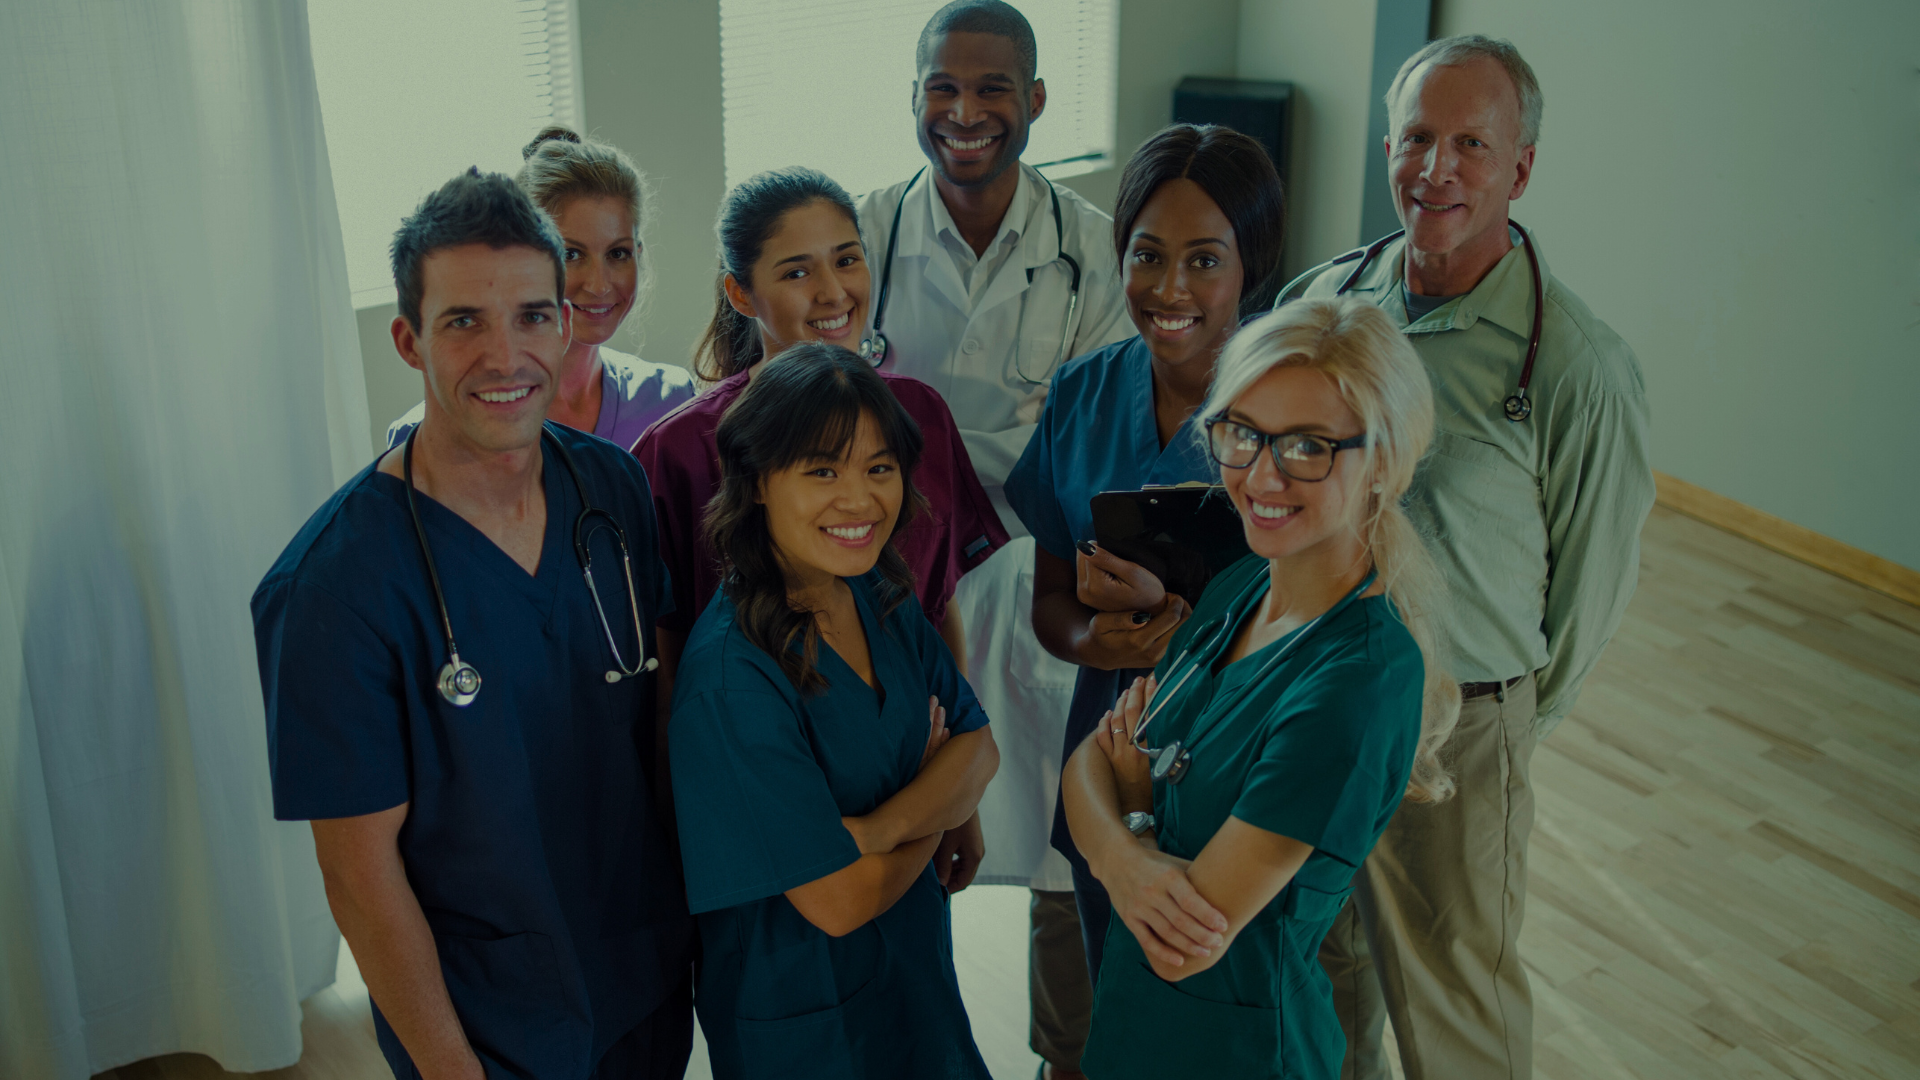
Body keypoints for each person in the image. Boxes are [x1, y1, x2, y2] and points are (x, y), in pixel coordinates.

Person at [252, 170, 692, 1079]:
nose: (505, 356)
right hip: (487, 1021)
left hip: (641, 969)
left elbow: (654, 726)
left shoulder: (610, 492)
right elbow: (360, 879)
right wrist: (453, 1070)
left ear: (564, 323)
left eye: (532, 315)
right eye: (463, 323)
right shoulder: (334, 588)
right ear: (409, 340)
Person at [1279, 36, 1654, 1080]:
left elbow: (1590, 588)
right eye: (1416, 139)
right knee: (1321, 965)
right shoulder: (1323, 307)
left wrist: (1501, 716)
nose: (1435, 169)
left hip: (1458, 729)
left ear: (1520, 168)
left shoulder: (1575, 365)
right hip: (1315, 700)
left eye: (1471, 146)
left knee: (1455, 1007)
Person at [1063, 297, 1461, 1079]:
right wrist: (1128, 856)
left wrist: (1123, 827)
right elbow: (1088, 759)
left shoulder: (1360, 682)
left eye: (1309, 445)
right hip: (1135, 1030)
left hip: (1238, 1051)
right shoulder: (1243, 585)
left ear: (1380, 461)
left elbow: (1182, 947)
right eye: (1243, 433)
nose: (1260, 475)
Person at [856, 5, 1132, 1072]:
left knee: (1068, 849)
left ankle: (1068, 1058)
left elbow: (1100, 429)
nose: (964, 113)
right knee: (908, 830)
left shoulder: (1095, 249)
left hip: (1043, 576)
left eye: (992, 88)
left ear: (1036, 102)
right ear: (915, 94)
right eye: (941, 87)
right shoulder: (866, 233)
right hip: (901, 583)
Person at [668, 348, 999, 1079]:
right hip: (804, 1023)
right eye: (823, 470)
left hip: (914, 978)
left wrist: (880, 829)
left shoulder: (879, 592)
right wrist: (938, 805)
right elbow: (841, 900)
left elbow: (980, 750)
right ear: (755, 482)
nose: (860, 499)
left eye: (879, 469)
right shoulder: (731, 679)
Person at [1006, 123, 1287, 983]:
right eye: (1146, 255)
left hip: (1251, 775)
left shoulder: (1296, 407)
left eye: (1205, 260)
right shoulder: (1087, 393)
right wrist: (1097, 642)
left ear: (1253, 266)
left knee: (1227, 1015)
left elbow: (1328, 623)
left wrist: (1190, 637)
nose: (1169, 288)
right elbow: (1050, 598)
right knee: (1117, 1007)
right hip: (1110, 769)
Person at [388, 126, 694, 451]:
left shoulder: (671, 400)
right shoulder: (420, 438)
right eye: (571, 254)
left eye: (618, 254)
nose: (599, 285)